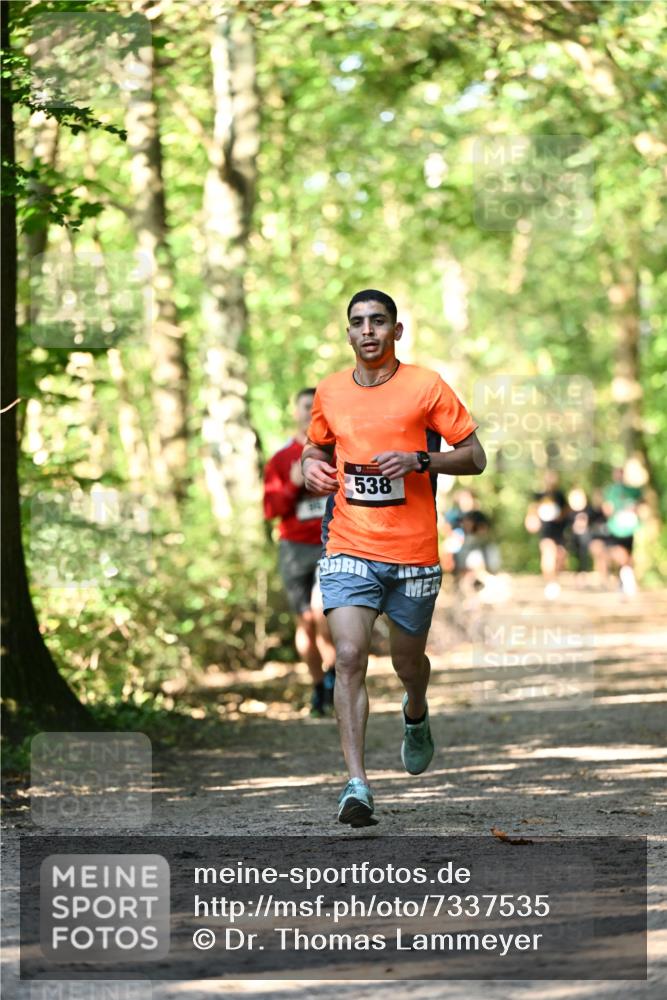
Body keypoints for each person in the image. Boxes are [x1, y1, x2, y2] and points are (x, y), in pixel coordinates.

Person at [302, 289, 486, 826]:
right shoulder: (331, 392)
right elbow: (316, 446)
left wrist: (419, 459)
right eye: (358, 323)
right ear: (348, 333)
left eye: (378, 322)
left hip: (413, 555)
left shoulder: (425, 386)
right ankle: (357, 785)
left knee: (408, 663)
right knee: (351, 655)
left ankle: (416, 711)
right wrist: (310, 468)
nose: (368, 331)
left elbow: (475, 456)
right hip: (349, 544)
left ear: (396, 331)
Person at [263, 388, 336, 716]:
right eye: (306, 406)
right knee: (304, 622)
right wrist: (293, 483)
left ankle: (336, 676)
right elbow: (270, 509)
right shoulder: (281, 458)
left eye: (317, 407)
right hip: (294, 548)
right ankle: (318, 685)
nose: (311, 412)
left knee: (325, 616)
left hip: (332, 543)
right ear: (296, 411)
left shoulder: (336, 449)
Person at [525, 470, 569, 600]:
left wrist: (560, 516)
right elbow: (532, 511)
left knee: (560, 557)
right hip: (546, 532)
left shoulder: (560, 495)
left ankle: (555, 579)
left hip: (559, 532)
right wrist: (531, 520)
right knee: (548, 553)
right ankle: (550, 582)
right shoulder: (539, 495)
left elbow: (566, 511)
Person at [602, 466, 642, 596]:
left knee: (628, 555)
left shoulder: (633, 491)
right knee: (619, 554)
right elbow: (607, 509)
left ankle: (624, 579)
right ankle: (625, 576)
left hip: (629, 528)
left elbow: (641, 504)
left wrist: (634, 509)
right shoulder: (610, 491)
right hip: (615, 528)